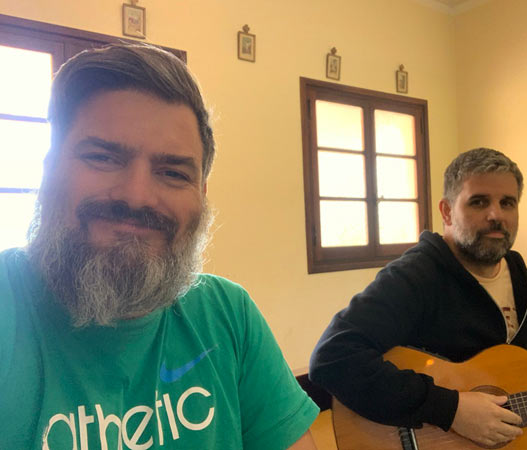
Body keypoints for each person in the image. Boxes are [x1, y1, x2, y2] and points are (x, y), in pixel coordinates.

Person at [0, 44, 319, 449]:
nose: (137, 196)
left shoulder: (226, 314)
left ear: (202, 195)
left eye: (172, 173)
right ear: (49, 169)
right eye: (102, 157)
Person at [309, 148, 527, 449]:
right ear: (447, 211)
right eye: (479, 202)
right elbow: (333, 358)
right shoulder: (414, 278)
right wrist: (451, 410)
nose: (496, 215)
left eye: (507, 203)